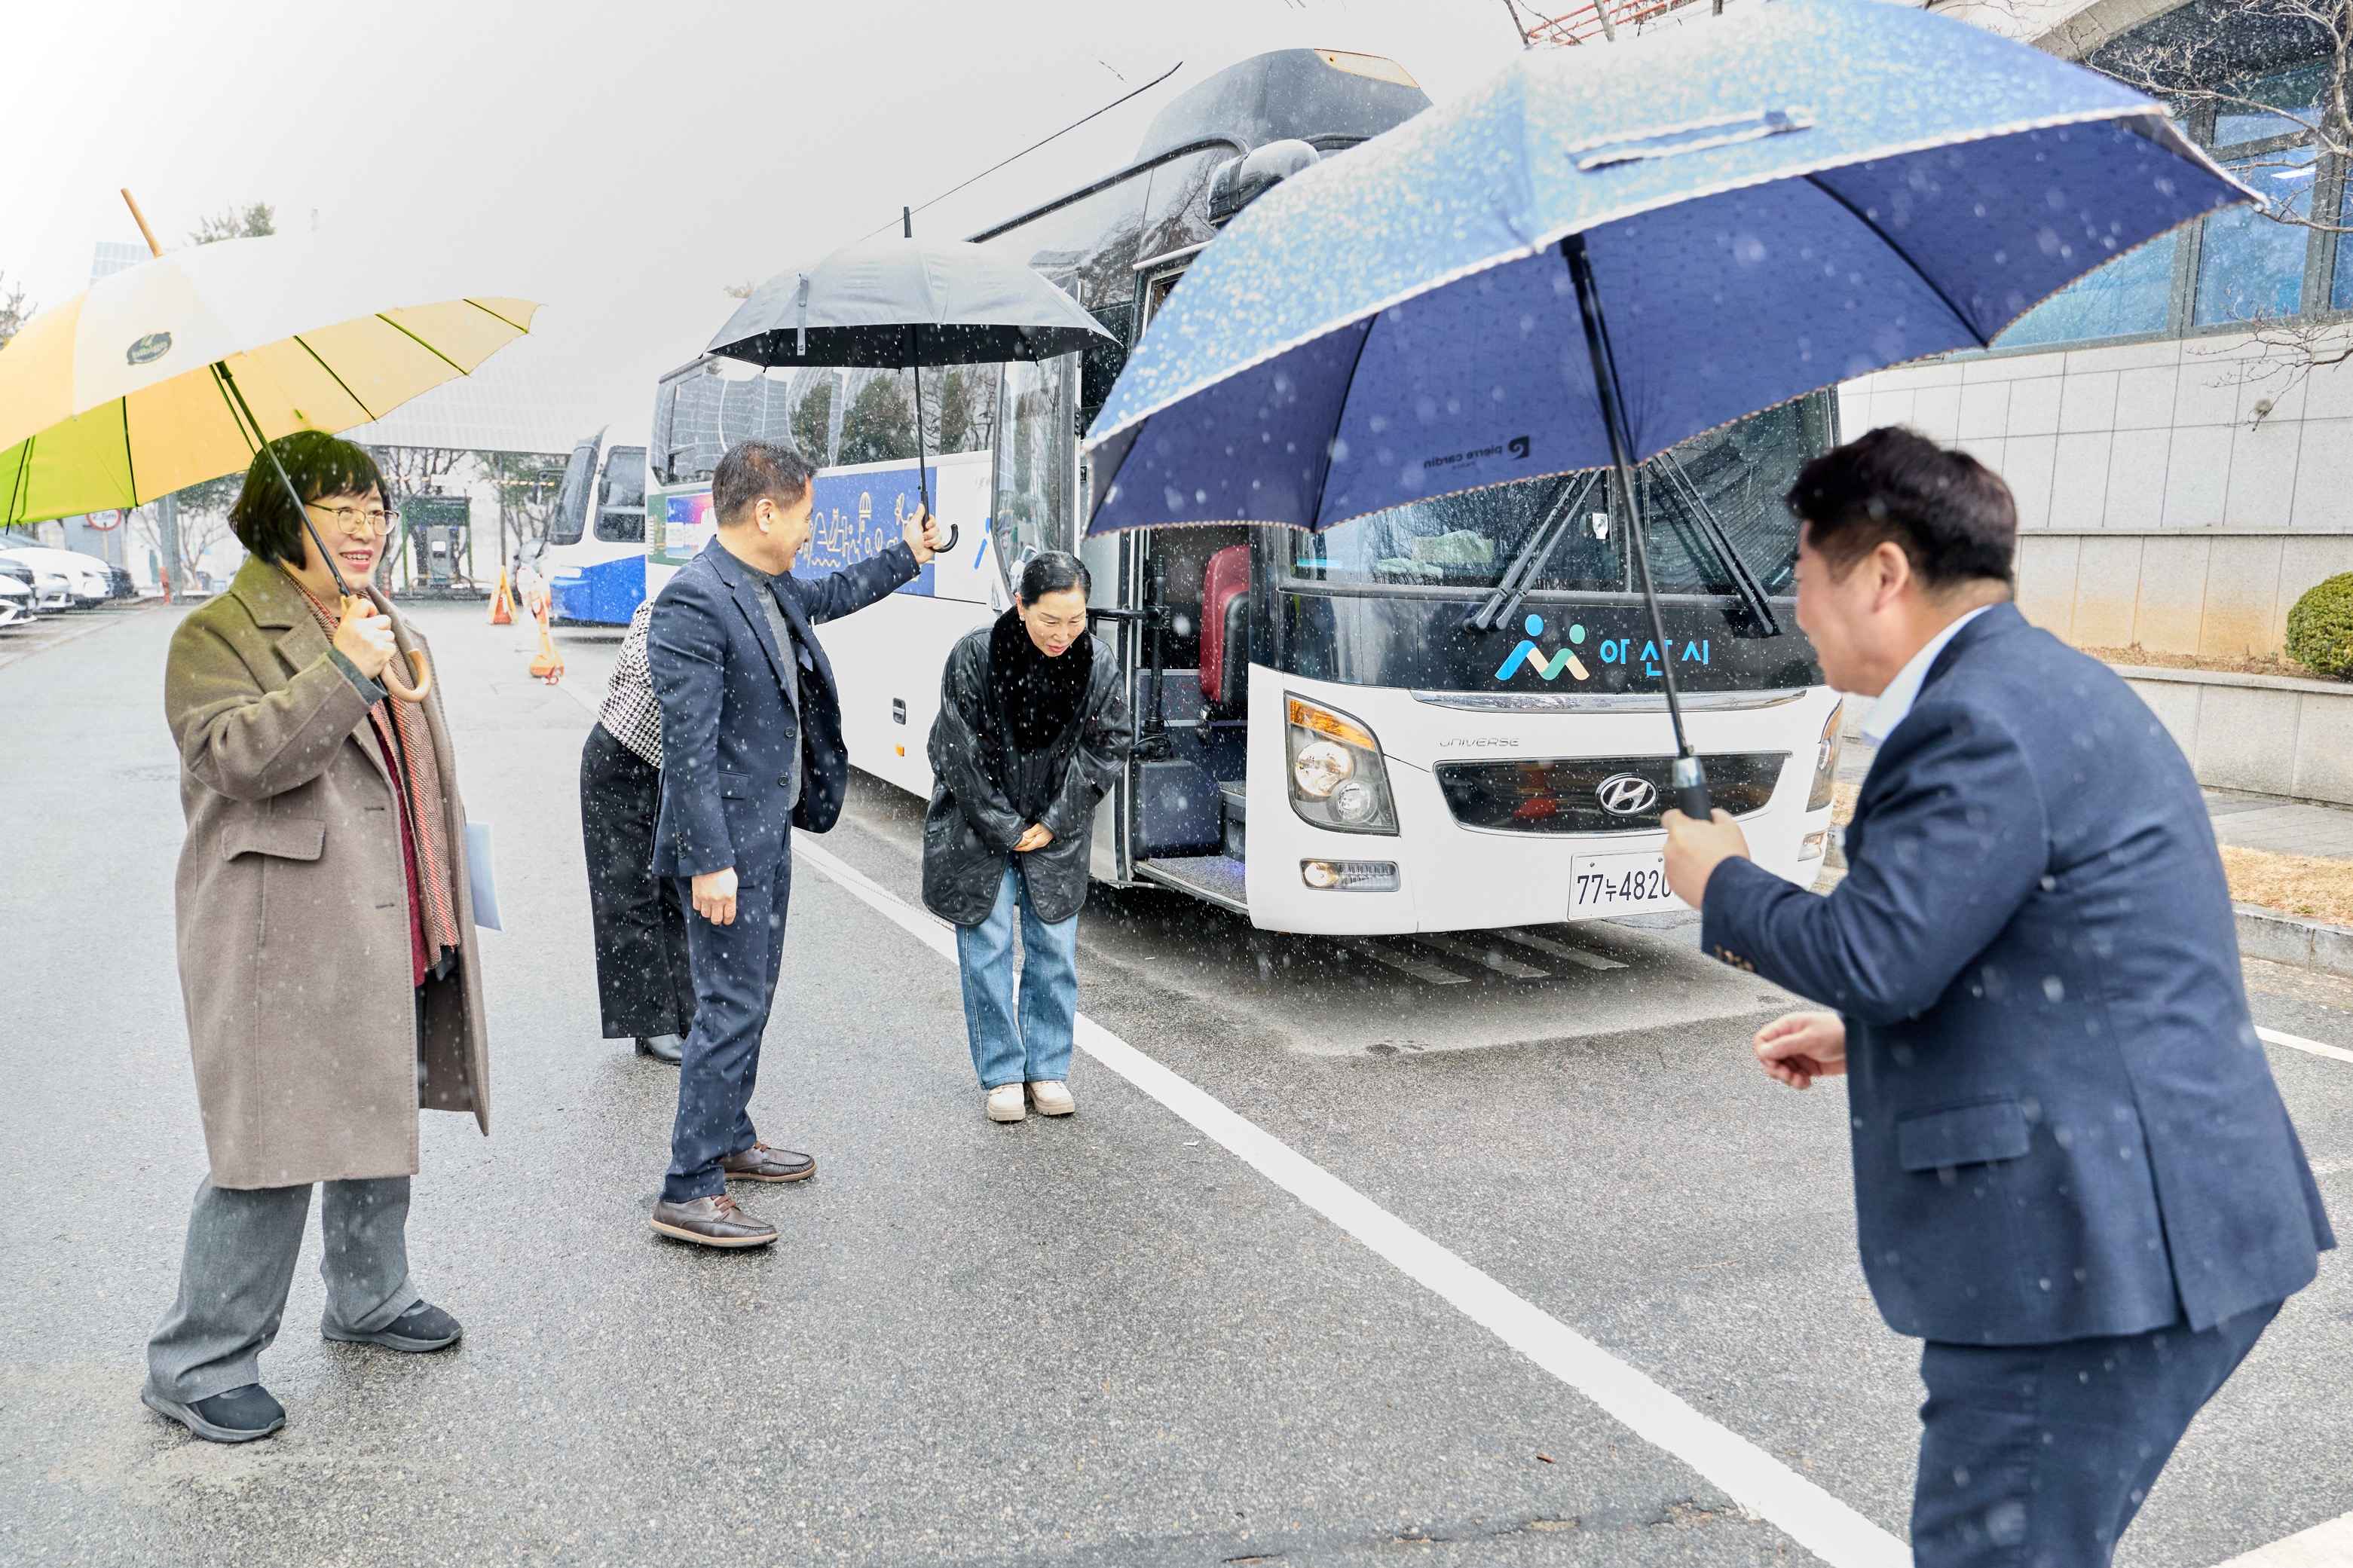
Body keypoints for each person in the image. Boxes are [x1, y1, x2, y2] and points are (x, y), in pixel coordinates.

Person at [1660, 426, 2333, 1566]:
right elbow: (2039, 937)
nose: (1793, 605)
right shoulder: (2044, 685)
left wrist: (1719, 880)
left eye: (1803, 573)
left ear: (1881, 574)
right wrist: (1866, 1029)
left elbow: (1878, 951)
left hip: (2087, 1257)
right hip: (2163, 1225)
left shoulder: (1970, 721)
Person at [145, 431, 491, 1444]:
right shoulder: (217, 633)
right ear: (277, 513)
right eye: (339, 506)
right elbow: (237, 757)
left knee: (377, 1111)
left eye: (375, 508)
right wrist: (342, 669)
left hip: (388, 907)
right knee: (273, 1147)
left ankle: (369, 1297)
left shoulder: (380, 618)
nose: (365, 525)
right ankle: (197, 1361)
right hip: (281, 931)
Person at [644, 440, 942, 1248]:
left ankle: (729, 1136)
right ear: (766, 510)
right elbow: (690, 745)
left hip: (764, 832)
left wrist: (907, 554)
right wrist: (710, 858)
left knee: (753, 993)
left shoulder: (765, 585)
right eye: (807, 514)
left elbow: (835, 592)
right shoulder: (694, 601)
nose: (811, 531)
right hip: (724, 847)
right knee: (729, 1002)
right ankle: (689, 1184)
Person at [923, 552, 1130, 1122]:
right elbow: (954, 751)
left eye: (1076, 620)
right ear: (1020, 605)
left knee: (1054, 954)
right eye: (1050, 620)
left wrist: (1056, 819)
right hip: (980, 830)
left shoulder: (1098, 664)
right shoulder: (975, 655)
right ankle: (1002, 1072)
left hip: (1055, 834)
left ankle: (1047, 1068)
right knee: (986, 953)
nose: (1064, 634)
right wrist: (1008, 827)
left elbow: (1110, 742)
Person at [579, 597, 691, 1065]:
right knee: (627, 895)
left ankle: (685, 1010)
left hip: (662, 771)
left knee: (669, 889)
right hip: (619, 762)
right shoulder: (680, 604)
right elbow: (673, 696)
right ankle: (650, 1023)